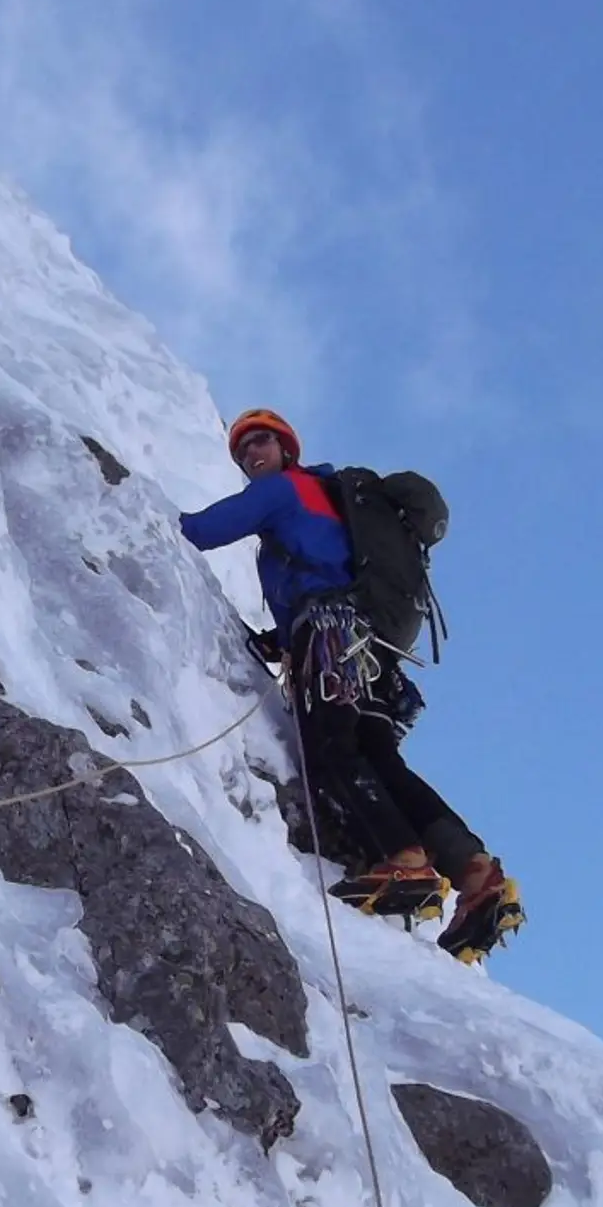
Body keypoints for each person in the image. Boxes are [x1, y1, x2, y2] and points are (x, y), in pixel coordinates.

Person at [178, 408, 523, 963]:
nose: (251, 456)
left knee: (332, 749)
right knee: (381, 760)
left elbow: (202, 530)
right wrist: (279, 637)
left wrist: (139, 510)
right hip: (373, 652)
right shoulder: (325, 499)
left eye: (261, 443)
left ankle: (405, 860)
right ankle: (475, 872)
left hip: (334, 641)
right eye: (244, 451)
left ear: (286, 448)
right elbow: (324, 569)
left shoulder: (284, 490)